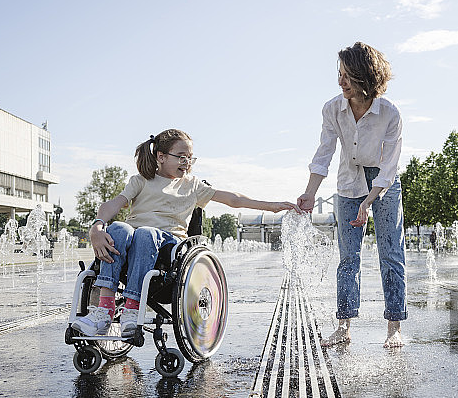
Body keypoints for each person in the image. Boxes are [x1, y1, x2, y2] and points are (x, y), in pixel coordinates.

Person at [73, 128, 298, 337]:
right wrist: (97, 226)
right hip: (134, 237)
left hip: (167, 244)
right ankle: (104, 310)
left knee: (146, 234)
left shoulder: (192, 185)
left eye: (190, 158)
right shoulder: (141, 180)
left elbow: (233, 199)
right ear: (161, 156)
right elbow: (114, 204)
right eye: (181, 157)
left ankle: (132, 308)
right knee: (118, 228)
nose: (187, 162)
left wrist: (271, 206)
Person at [297, 42, 407, 349]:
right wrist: (309, 194)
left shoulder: (389, 113)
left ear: (365, 76)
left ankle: (393, 326)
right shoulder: (333, 108)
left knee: (391, 253)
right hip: (349, 179)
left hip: (382, 181)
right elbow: (324, 153)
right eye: (340, 74)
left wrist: (369, 202)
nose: (340, 81)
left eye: (347, 75)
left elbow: (389, 165)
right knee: (348, 257)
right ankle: (344, 325)